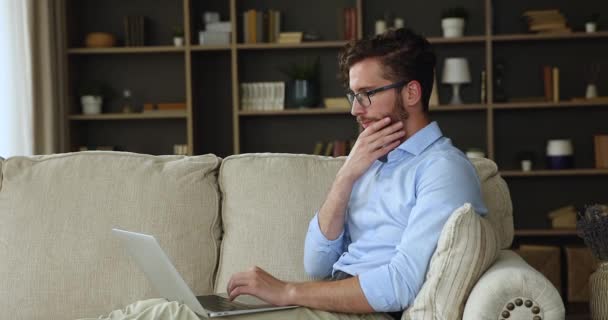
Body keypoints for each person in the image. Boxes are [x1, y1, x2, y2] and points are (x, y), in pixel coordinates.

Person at [85, 28, 487, 320]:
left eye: (366, 95)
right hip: (328, 303)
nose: (354, 110)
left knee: (170, 317)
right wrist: (346, 176)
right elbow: (317, 263)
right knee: (146, 311)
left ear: (411, 93)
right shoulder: (371, 159)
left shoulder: (443, 170)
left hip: (363, 314)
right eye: (353, 96)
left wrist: (286, 292)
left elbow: (399, 284)